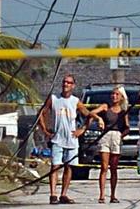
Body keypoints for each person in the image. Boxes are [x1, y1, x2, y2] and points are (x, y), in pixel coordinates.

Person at [38, 74, 102, 205]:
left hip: (71, 139)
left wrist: (84, 128)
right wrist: (45, 130)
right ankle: (53, 194)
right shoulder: (54, 98)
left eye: (69, 82)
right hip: (57, 138)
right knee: (55, 166)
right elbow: (41, 113)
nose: (66, 84)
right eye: (64, 82)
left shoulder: (75, 101)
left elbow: (87, 114)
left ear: (73, 85)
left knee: (69, 167)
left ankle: (63, 194)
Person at [89, 87, 129, 203]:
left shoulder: (123, 111)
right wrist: (99, 119)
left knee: (114, 168)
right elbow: (92, 112)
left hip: (116, 136)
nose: (114, 96)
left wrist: (121, 136)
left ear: (121, 97)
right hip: (105, 136)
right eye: (113, 94)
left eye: (117, 94)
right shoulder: (105, 107)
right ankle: (102, 195)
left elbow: (127, 127)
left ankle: (113, 195)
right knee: (104, 167)